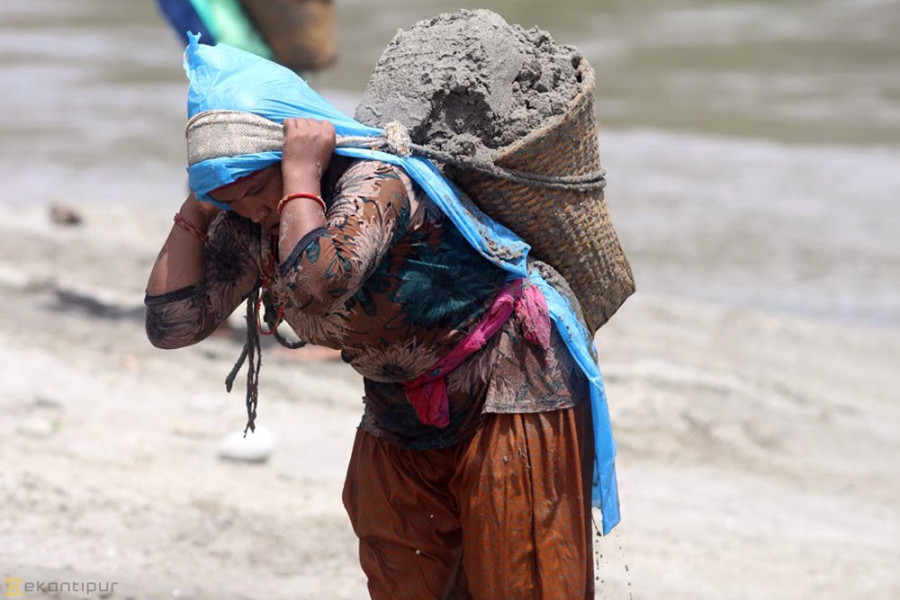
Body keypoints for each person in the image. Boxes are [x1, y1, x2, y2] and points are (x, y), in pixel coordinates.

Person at [145, 37, 618, 599]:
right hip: (400, 396)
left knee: (523, 578)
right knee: (403, 577)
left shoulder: (374, 181)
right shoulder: (255, 221)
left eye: (253, 187)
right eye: (231, 198)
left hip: (511, 378)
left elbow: (317, 282)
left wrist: (298, 175)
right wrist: (199, 207)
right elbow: (172, 325)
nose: (251, 209)